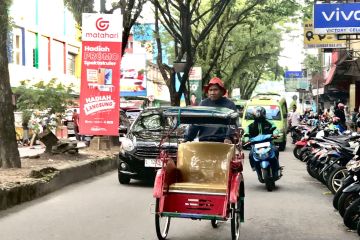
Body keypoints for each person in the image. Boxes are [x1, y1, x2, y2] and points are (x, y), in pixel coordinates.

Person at [184, 77, 237, 143]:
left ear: (221, 91)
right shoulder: (203, 104)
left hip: (223, 142)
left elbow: (233, 124)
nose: (212, 92)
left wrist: (228, 137)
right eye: (210, 90)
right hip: (204, 141)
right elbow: (196, 123)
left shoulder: (230, 105)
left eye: (215, 90)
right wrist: (188, 139)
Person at [244, 106, 280, 173]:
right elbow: (246, 133)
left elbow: (275, 129)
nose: (258, 116)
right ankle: (254, 166)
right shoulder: (251, 126)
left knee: (275, 150)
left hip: (268, 143)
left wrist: (275, 133)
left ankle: (276, 165)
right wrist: (246, 139)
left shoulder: (269, 123)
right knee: (251, 154)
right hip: (256, 144)